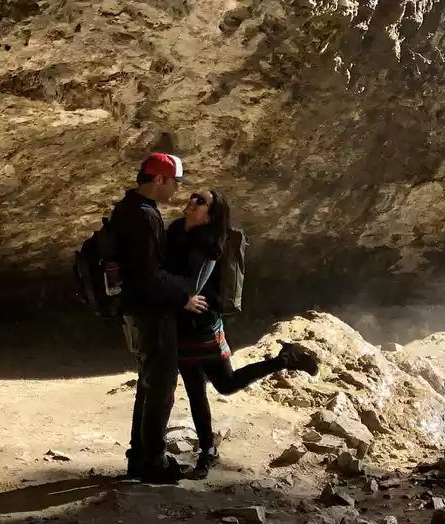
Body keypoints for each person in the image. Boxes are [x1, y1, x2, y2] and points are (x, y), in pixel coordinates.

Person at [167, 188, 319, 478]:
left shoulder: (210, 242)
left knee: (225, 384)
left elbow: (193, 286)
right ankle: (208, 452)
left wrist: (166, 284)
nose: (193, 201)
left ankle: (284, 361)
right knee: (195, 391)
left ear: (209, 214)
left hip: (203, 323)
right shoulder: (175, 230)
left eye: (201, 201)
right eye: (194, 196)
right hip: (178, 322)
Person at [110, 152, 207, 484]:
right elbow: (150, 275)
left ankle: (140, 456)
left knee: (149, 384)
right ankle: (151, 461)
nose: (177, 190)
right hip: (151, 313)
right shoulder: (145, 217)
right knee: (161, 385)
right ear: (160, 180)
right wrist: (185, 295)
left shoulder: (127, 208)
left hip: (135, 311)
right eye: (176, 182)